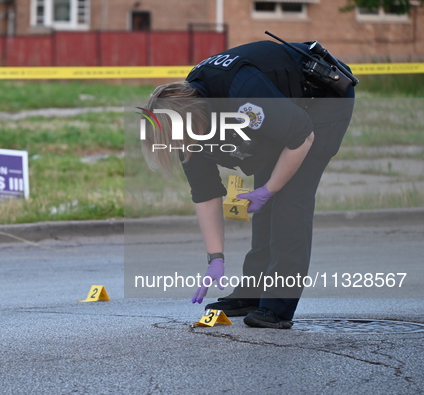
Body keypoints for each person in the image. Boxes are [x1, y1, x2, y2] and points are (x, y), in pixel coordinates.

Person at [140, 35, 356, 329]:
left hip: (322, 101)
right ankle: (253, 293)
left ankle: (278, 307)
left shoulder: (242, 97)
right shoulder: (187, 115)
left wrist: (269, 189)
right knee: (268, 207)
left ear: (198, 121)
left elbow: (302, 135)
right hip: (284, 108)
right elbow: (205, 193)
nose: (183, 146)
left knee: (289, 203)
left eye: (183, 139)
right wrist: (215, 258)